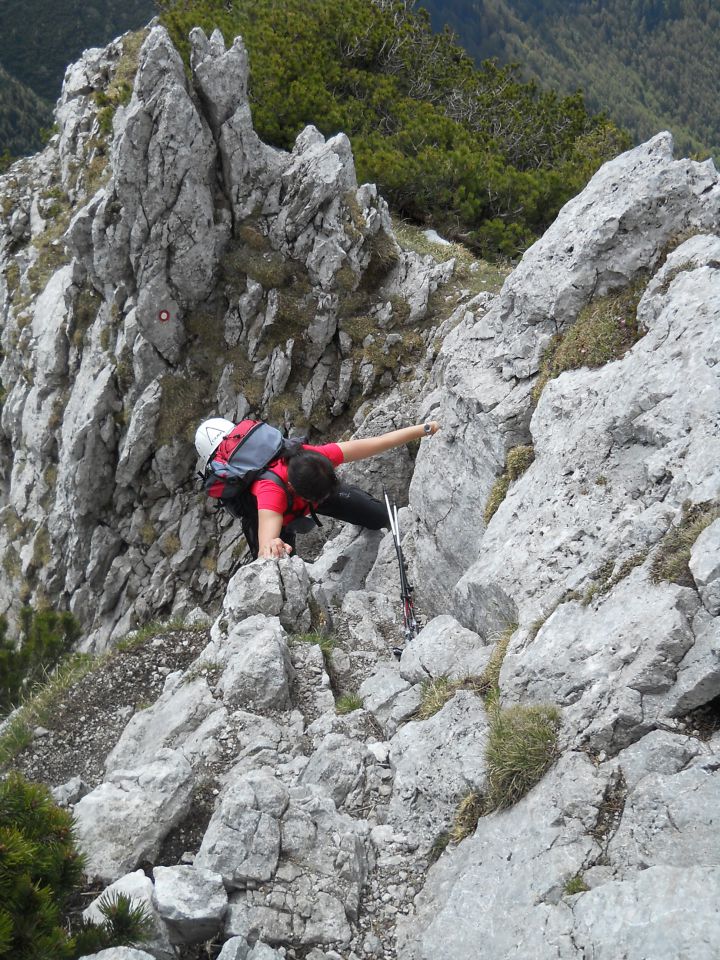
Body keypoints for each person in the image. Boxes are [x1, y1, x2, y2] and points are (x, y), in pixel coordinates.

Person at [196, 419, 440, 560]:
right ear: (295, 489)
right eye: (320, 497)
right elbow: (266, 546)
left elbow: (373, 444)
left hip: (305, 494)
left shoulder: (314, 458)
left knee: (381, 517)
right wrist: (273, 547)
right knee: (279, 564)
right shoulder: (271, 492)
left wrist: (422, 430)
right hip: (268, 514)